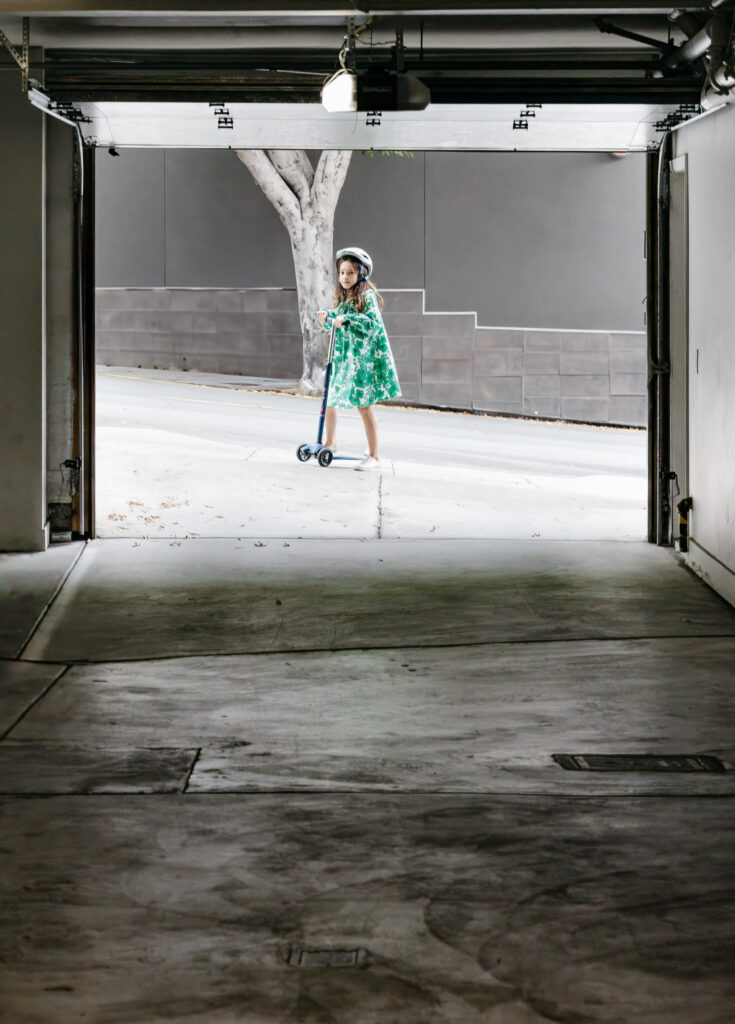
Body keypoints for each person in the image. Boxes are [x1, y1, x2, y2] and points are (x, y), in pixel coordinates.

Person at [316, 246, 401, 471]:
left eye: (350, 273)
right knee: (331, 399)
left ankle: (374, 456)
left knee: (364, 406)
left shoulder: (367, 296)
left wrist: (347, 319)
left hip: (363, 361)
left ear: (362, 273)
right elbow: (338, 319)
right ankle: (330, 444)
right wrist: (326, 316)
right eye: (342, 273)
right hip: (345, 359)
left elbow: (372, 324)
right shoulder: (345, 296)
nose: (345, 277)